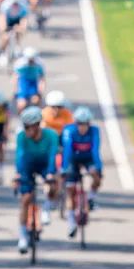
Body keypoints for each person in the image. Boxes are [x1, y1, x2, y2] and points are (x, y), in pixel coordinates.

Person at [14, 107, 59, 253]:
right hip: (28, 166)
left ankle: (46, 208)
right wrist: (18, 173)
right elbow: (20, 155)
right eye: (25, 126)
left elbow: (52, 155)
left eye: (29, 127)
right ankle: (22, 236)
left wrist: (50, 174)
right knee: (25, 199)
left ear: (37, 125)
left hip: (45, 165)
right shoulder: (22, 136)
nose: (26, 130)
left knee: (54, 185)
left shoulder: (51, 135)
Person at [61, 106, 103, 238]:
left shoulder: (94, 131)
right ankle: (71, 223)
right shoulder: (69, 130)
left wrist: (98, 168)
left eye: (85, 124)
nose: (82, 127)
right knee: (70, 190)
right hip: (73, 160)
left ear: (89, 123)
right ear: (76, 123)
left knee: (96, 177)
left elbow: (95, 150)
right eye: (79, 124)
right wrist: (64, 168)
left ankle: (90, 198)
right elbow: (67, 150)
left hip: (88, 158)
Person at [40, 90, 73, 224]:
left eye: (59, 107)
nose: (56, 110)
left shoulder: (67, 115)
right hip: (49, 141)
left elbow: (70, 133)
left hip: (62, 141)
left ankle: (62, 177)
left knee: (64, 166)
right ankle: (47, 205)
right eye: (53, 107)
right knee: (50, 173)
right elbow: (42, 134)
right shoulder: (44, 115)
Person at [0, 0, 31, 68]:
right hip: (8, 20)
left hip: (18, 20)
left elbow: (24, 20)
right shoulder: (5, 5)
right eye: (13, 2)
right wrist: (3, 29)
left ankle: (17, 45)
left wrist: (22, 28)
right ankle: (3, 53)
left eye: (16, 2)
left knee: (20, 31)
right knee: (5, 37)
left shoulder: (24, 5)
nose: (15, 4)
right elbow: (2, 19)